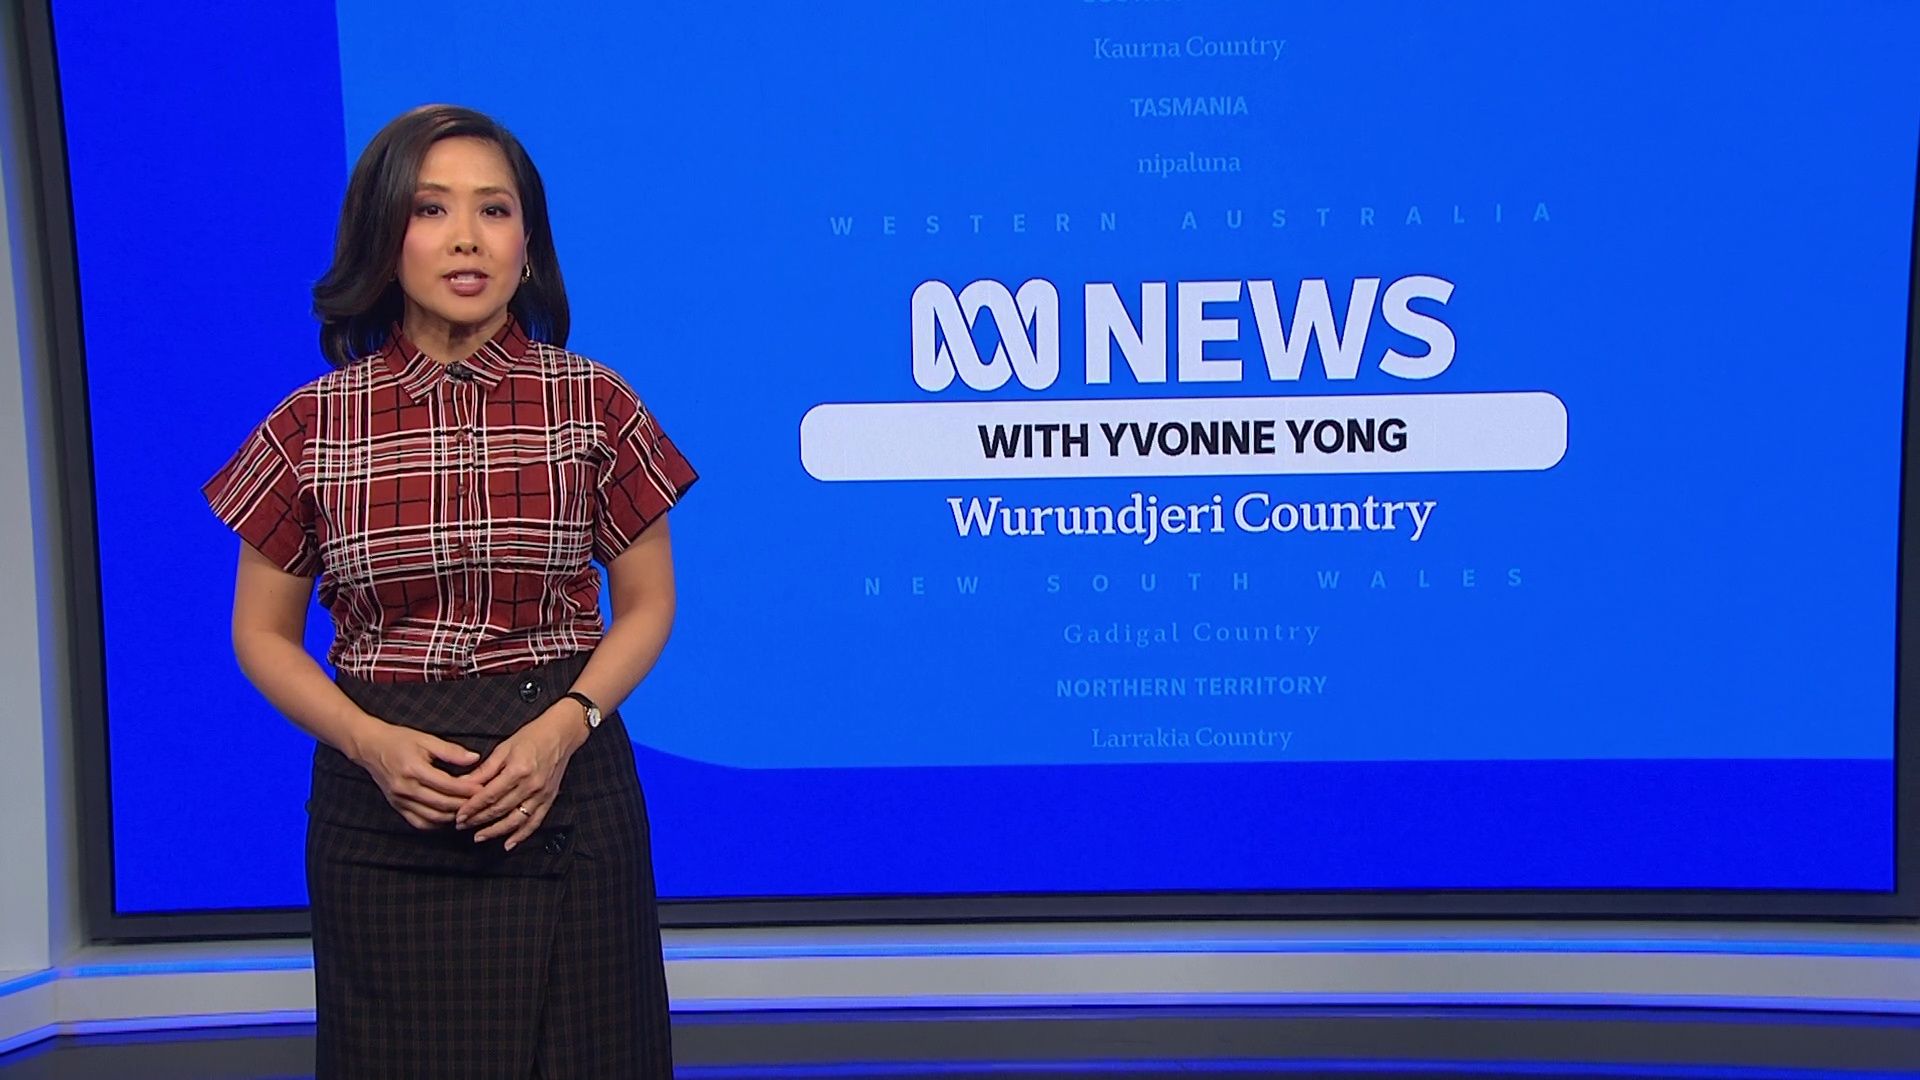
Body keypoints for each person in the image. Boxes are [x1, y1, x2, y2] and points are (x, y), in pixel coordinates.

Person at [203, 103, 695, 1079]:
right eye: (430, 210)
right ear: (383, 239)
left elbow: (647, 606)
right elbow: (261, 635)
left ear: (528, 245)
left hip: (566, 791)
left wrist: (563, 730)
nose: (466, 237)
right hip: (384, 809)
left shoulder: (596, 403)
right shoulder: (310, 426)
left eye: (494, 210)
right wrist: (368, 743)